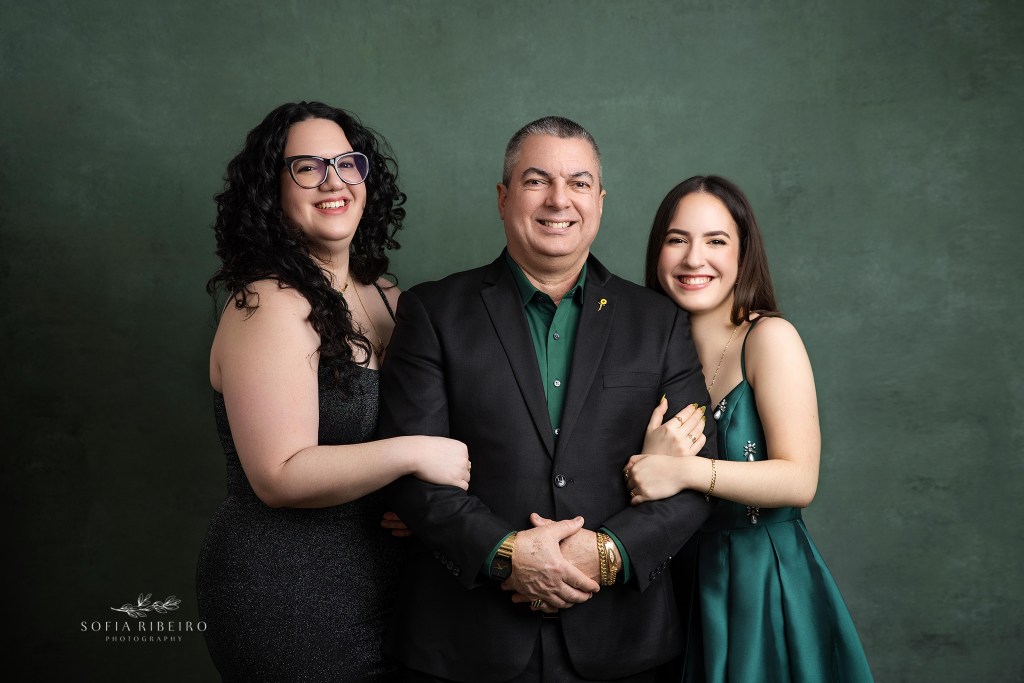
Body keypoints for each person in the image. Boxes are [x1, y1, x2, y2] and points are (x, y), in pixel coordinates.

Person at [378, 117, 716, 682]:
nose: (560, 200)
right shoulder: (433, 312)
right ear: (504, 196)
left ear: (600, 202)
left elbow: (699, 475)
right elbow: (409, 469)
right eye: (537, 181)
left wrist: (607, 554)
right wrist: (507, 553)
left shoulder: (659, 323)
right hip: (466, 640)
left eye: (579, 183)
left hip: (622, 641)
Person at [195, 101, 470, 682]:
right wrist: (414, 455)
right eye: (308, 168)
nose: (334, 181)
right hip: (289, 590)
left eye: (348, 163)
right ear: (272, 191)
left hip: (390, 582)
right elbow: (280, 475)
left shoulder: (386, 297)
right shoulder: (270, 303)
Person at [626, 175, 874, 681]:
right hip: (676, 582)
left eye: (716, 241)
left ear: (743, 253)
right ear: (658, 252)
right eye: (678, 239)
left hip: (762, 581)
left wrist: (685, 472)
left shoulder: (769, 337)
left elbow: (799, 480)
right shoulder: (645, 350)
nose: (695, 259)